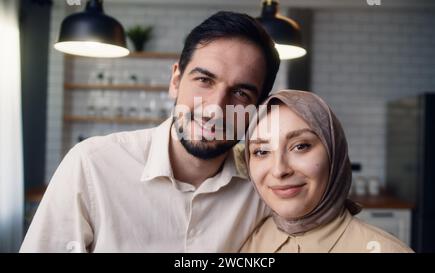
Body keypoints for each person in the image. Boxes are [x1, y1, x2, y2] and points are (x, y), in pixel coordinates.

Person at [21, 11, 280, 252]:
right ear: (175, 80)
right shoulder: (91, 164)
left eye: (240, 93)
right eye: (204, 80)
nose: (215, 109)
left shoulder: (266, 185)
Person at [241, 90, 413, 253]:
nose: (279, 170)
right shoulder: (244, 242)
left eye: (301, 146)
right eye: (261, 151)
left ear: (334, 154)